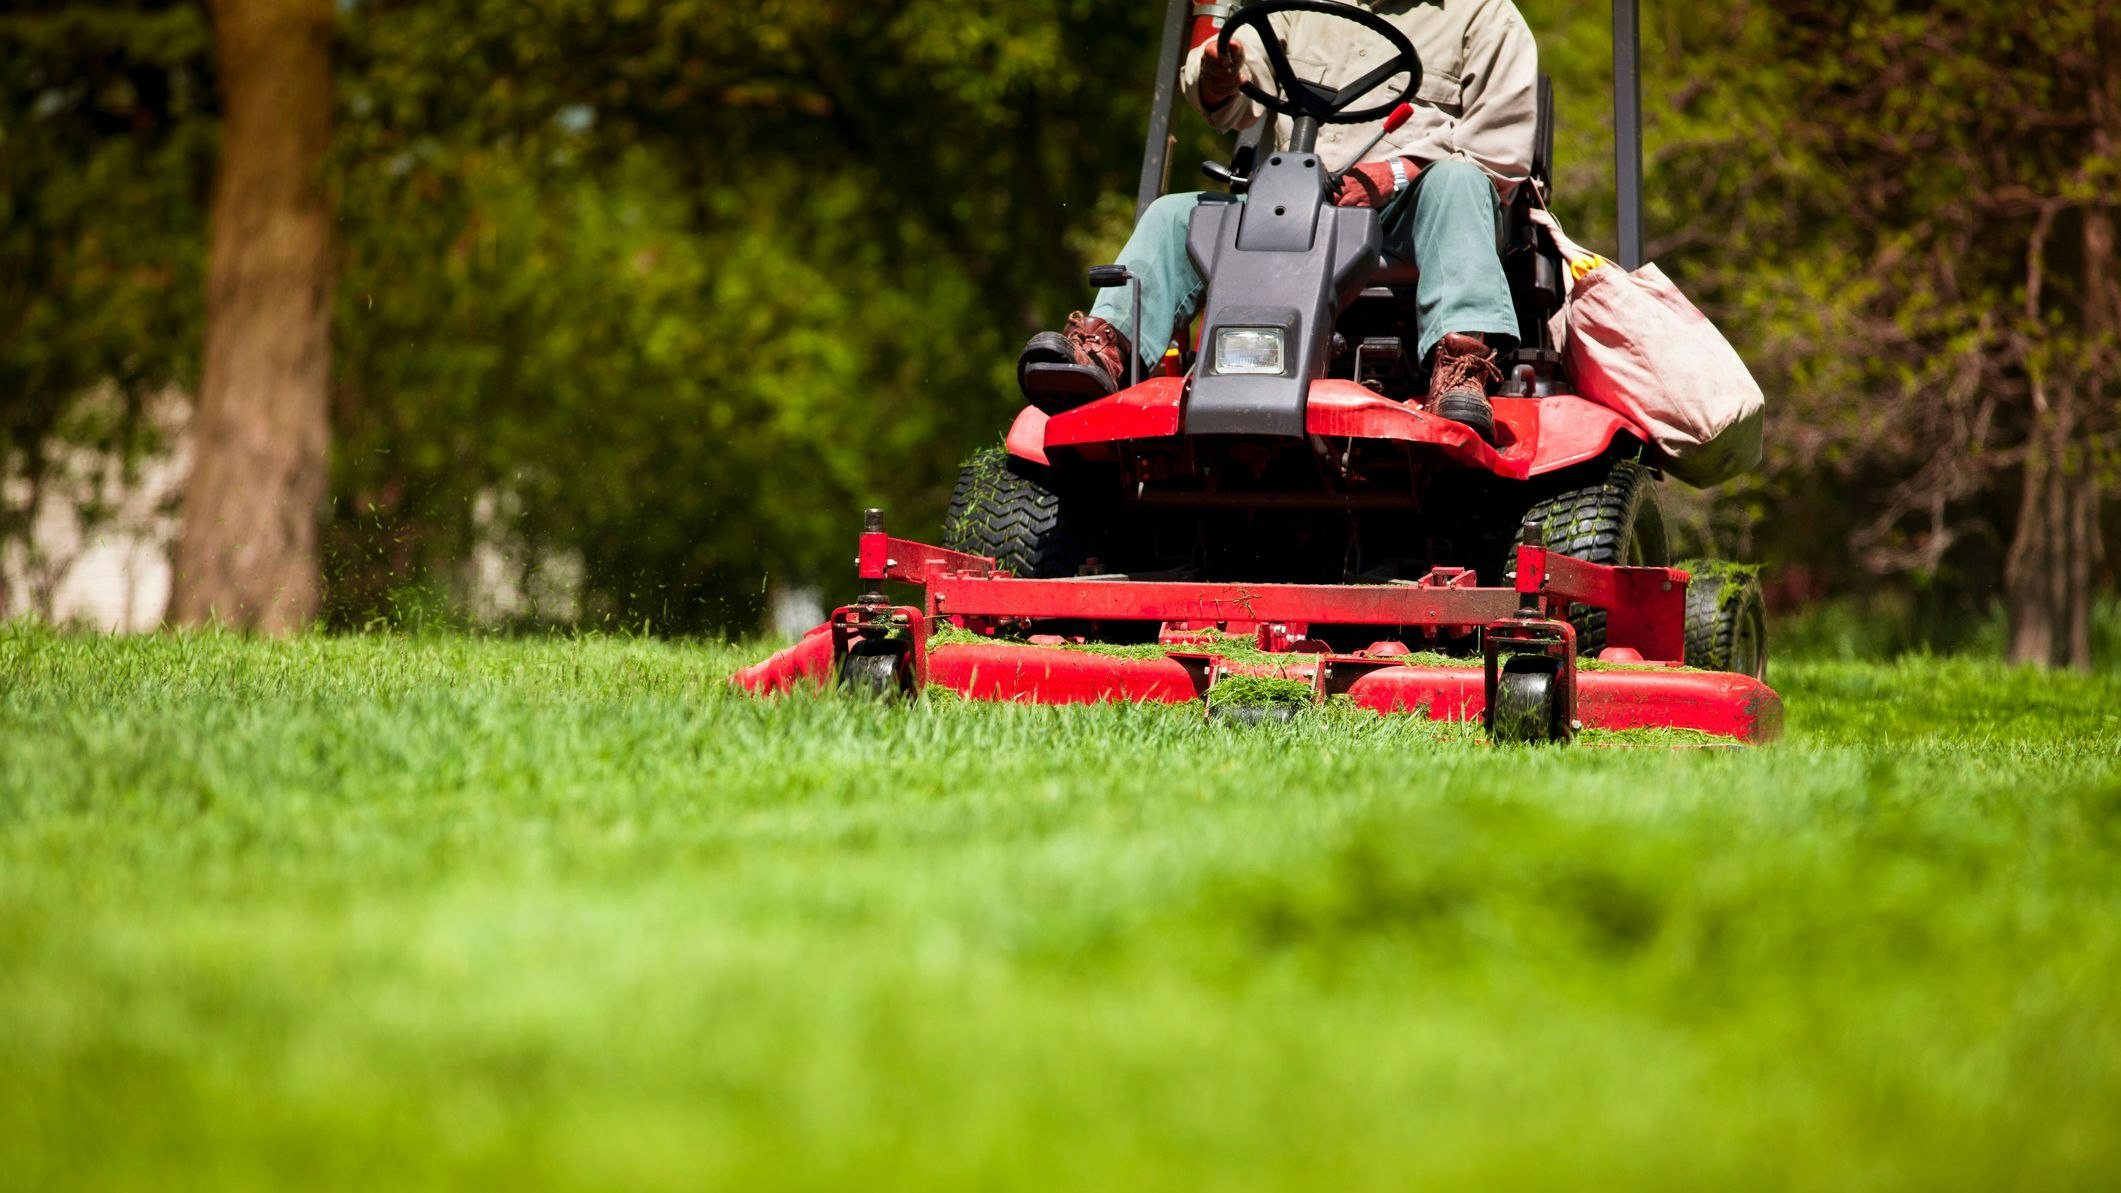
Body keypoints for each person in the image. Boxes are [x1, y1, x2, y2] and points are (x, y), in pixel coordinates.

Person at [1017, 0, 1538, 442]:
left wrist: (1397, 174)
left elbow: (1499, 156)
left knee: (1459, 182)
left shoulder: (1486, 15)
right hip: (1293, 205)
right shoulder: (1299, 7)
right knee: (1176, 213)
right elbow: (1233, 96)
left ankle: (1462, 368)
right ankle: (1105, 352)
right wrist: (1221, 75)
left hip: (1410, 217)